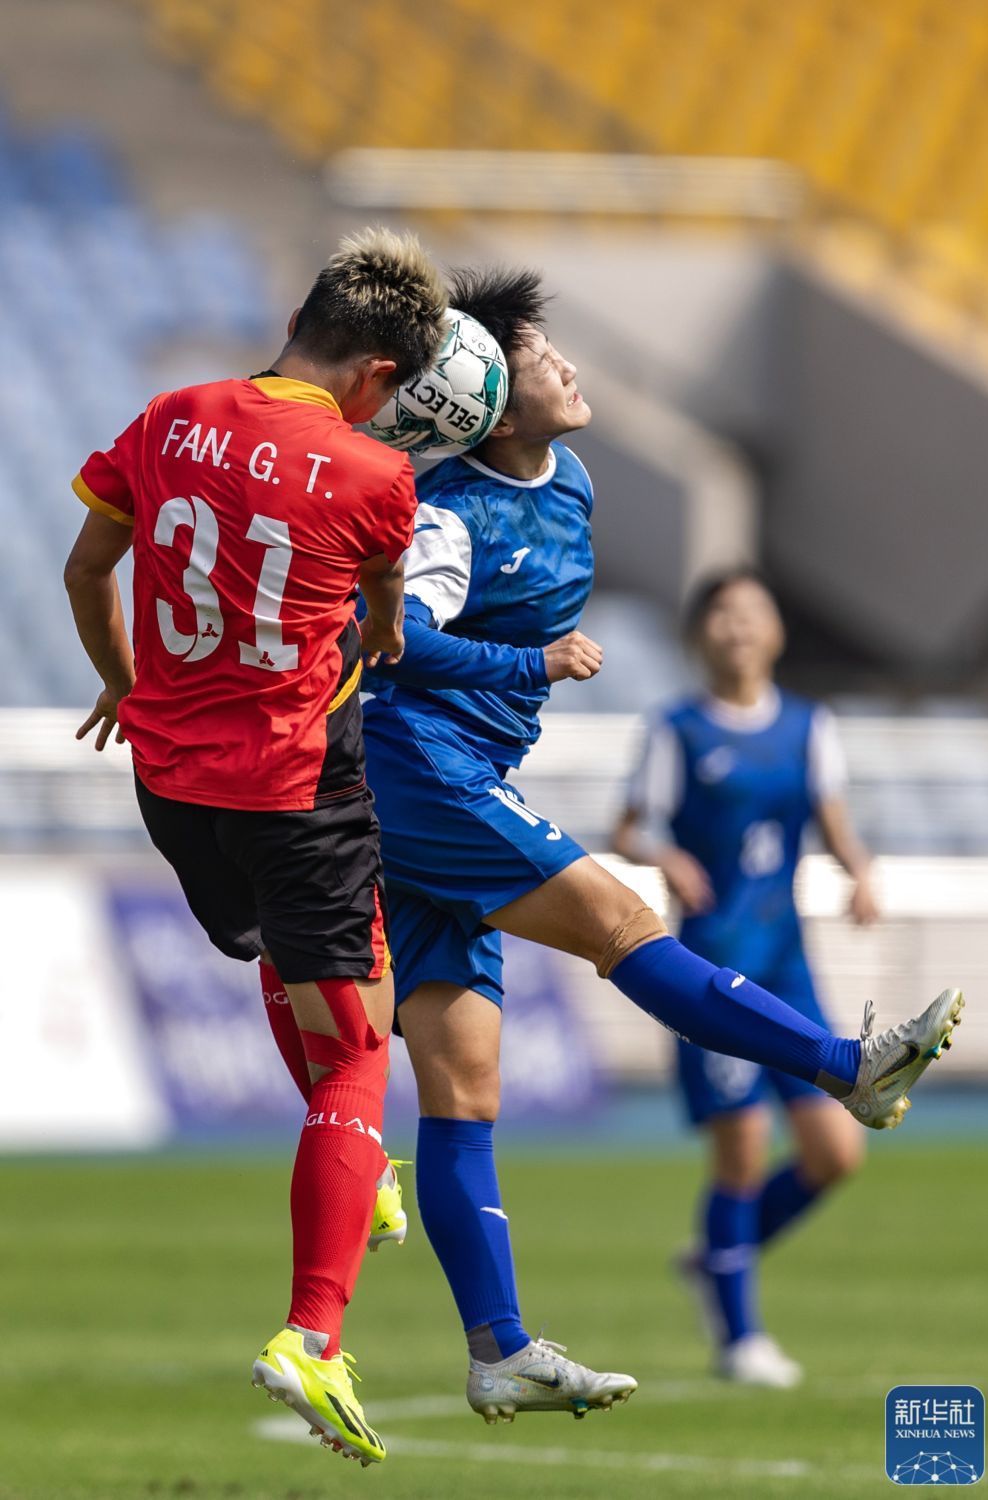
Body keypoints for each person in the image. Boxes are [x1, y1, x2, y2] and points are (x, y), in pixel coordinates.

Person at [358, 267, 963, 1424]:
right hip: (416, 768)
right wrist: (528, 666)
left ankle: (497, 1346)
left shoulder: (574, 484)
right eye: (540, 356)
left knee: (462, 1083)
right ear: (485, 385)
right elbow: (394, 644)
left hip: (456, 781)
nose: (569, 368)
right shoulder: (446, 511)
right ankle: (847, 1068)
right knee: (624, 925)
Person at [63, 227, 447, 1467]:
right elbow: (385, 602)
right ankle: (311, 1338)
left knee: (294, 986)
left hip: (172, 787)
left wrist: (128, 688)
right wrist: (382, 620)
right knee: (360, 1052)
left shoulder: (170, 417)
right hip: (294, 790)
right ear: (381, 376)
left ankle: (358, 1177)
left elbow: (86, 566)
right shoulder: (374, 473)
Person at [614, 569, 877, 1387]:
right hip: (709, 968)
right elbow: (626, 827)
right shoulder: (679, 729)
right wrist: (664, 854)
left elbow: (834, 820)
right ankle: (740, 1339)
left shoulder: (807, 725)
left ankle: (715, 1260)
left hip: (788, 963)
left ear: (776, 631)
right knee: (743, 1145)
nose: (738, 627)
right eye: (721, 614)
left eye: (752, 612)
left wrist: (860, 873)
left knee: (837, 1151)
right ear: (701, 634)